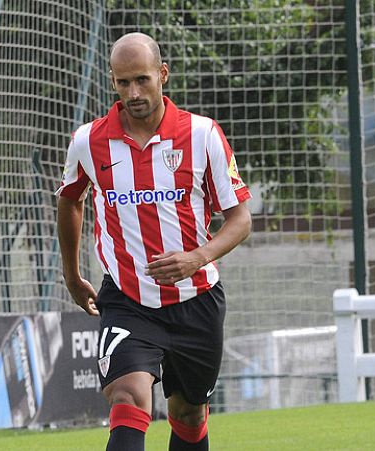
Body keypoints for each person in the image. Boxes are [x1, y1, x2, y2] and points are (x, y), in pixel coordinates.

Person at [56, 32, 251, 451]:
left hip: (196, 298)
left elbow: (240, 218)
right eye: (123, 82)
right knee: (128, 399)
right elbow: (70, 201)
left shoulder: (202, 135)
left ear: (163, 75)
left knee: (188, 414)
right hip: (128, 299)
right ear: (112, 81)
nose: (134, 92)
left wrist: (197, 258)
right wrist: (72, 276)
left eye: (143, 79)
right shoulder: (88, 141)